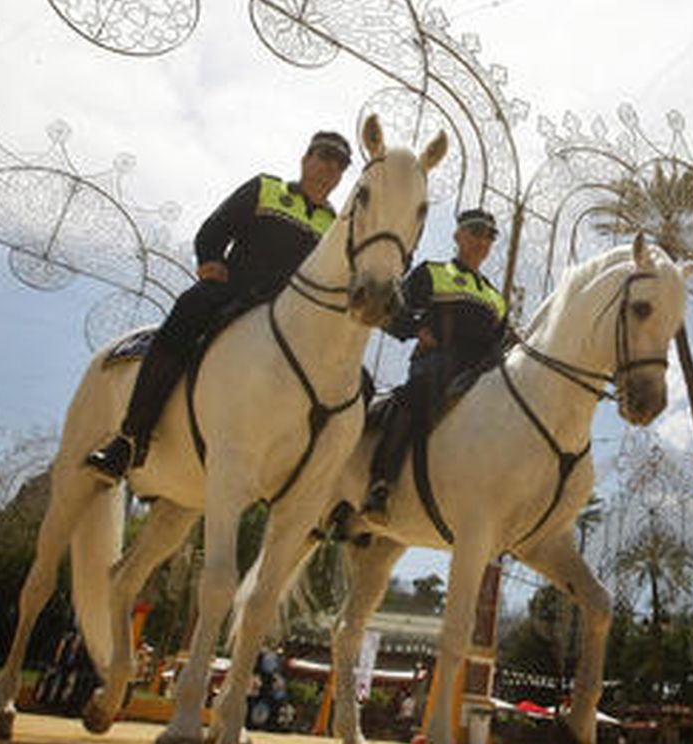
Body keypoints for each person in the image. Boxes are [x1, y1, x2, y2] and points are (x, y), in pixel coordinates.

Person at [85, 130, 354, 481]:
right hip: (234, 290)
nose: (328, 168)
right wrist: (211, 258)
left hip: (288, 317)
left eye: (338, 164)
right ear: (306, 159)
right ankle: (131, 437)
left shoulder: (334, 229)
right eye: (323, 156)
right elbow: (217, 226)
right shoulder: (266, 188)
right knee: (190, 309)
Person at [362, 208, 506, 517]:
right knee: (412, 398)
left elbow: (500, 344)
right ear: (458, 235)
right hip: (436, 368)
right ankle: (380, 484)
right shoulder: (433, 272)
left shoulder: (496, 298)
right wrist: (416, 329)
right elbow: (389, 309)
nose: (484, 240)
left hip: (480, 376)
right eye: (477, 231)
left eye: (490, 236)